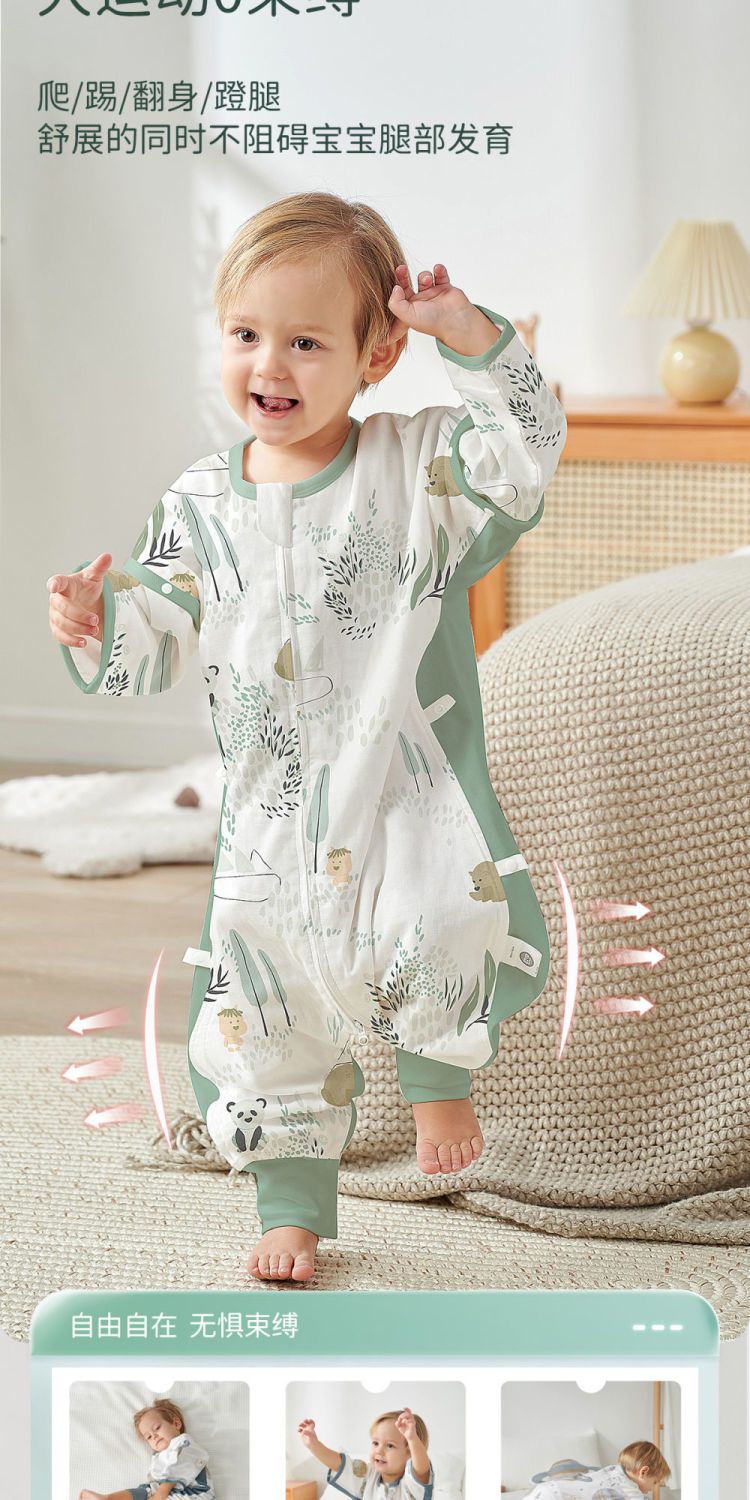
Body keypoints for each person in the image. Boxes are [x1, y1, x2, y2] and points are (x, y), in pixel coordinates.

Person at [48, 190, 567, 1283]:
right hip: (269, 813)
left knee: (438, 917)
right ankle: (290, 1203)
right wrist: (97, 620)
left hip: (399, 782)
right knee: (258, 1002)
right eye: (245, 334)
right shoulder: (200, 502)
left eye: (305, 342)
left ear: (377, 354)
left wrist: (470, 335)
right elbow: (154, 636)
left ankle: (438, 1082)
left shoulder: (414, 471)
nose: (268, 365)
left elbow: (522, 453)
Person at [79, 1396, 214, 1500]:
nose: (154, 1436)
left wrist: (160, 1494)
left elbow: (181, 1466)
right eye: (148, 1436)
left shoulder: (184, 1443)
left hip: (196, 1494)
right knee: (145, 1490)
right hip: (172, 1493)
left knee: (153, 1491)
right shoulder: (160, 1456)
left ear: (176, 1423)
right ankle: (108, 1498)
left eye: (157, 1428)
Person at [299, 1405, 433, 1499]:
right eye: (375, 1443)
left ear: (410, 1453)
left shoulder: (412, 1484)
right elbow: (339, 1464)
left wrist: (412, 1438)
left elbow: (421, 1469)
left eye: (390, 1445)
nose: (379, 1450)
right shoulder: (368, 1475)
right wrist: (313, 1444)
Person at [527, 1440, 672, 1497]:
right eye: (654, 1482)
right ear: (643, 1472)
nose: (653, 1488)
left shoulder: (611, 1471)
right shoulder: (630, 1489)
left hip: (546, 1489)